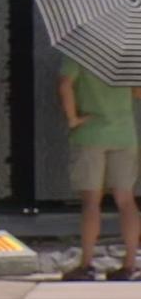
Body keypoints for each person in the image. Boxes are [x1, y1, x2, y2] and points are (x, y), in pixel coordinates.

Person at [58, 56, 140, 281]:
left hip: (90, 134)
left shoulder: (80, 52)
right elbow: (138, 92)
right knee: (126, 200)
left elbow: (64, 84)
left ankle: (87, 265)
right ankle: (130, 265)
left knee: (91, 202)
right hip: (124, 135)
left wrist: (73, 118)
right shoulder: (127, 56)